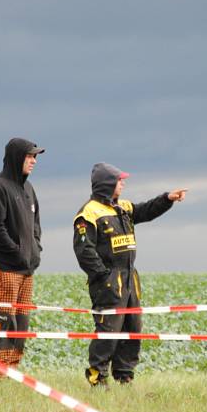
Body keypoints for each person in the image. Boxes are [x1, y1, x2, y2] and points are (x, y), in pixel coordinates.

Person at [73, 162, 187, 386]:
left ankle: (125, 376)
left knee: (133, 328)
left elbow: (146, 210)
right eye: (119, 180)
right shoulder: (88, 213)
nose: (123, 183)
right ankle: (98, 377)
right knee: (109, 330)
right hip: (108, 281)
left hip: (130, 278)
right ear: (107, 183)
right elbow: (84, 251)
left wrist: (167, 199)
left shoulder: (122, 207)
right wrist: (104, 276)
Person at [0, 137, 44, 371]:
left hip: (26, 269)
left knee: (22, 322)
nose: (34, 161)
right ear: (17, 157)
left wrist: (35, 249)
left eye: (35, 156)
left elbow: (36, 225)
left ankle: (13, 370)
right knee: (6, 320)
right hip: (3, 268)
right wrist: (17, 253)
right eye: (29, 156)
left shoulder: (28, 188)